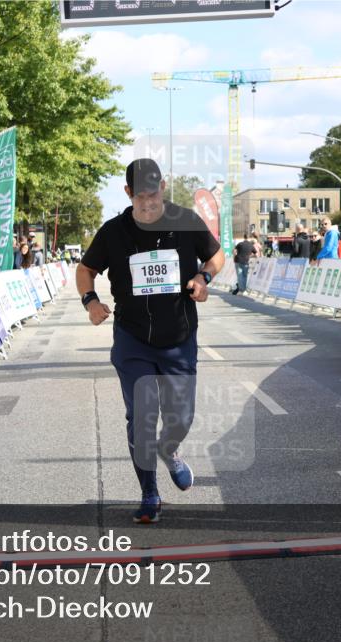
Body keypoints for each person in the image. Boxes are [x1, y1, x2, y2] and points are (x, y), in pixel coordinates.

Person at [76, 158, 224, 524]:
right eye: (140, 195)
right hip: (132, 339)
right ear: (128, 193)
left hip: (179, 338)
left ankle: (169, 449)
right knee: (141, 415)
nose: (148, 202)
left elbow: (216, 255)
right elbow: (85, 269)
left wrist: (204, 278)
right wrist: (90, 302)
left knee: (181, 417)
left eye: (154, 194)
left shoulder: (186, 221)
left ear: (163, 189)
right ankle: (149, 495)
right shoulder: (113, 231)